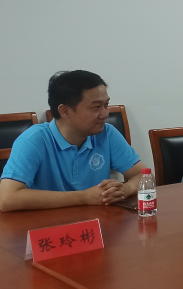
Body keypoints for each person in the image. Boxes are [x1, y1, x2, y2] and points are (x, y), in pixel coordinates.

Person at [0, 70, 147, 212]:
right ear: (65, 111)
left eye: (106, 105)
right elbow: (7, 198)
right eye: (96, 107)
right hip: (48, 224)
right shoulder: (33, 140)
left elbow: (144, 175)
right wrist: (83, 197)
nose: (105, 114)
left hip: (98, 222)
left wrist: (126, 189)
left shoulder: (107, 133)